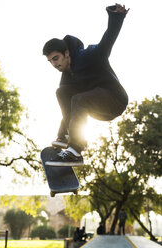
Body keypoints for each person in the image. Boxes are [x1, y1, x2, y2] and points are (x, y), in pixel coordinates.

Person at [43, 4, 129, 166]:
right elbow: (67, 107)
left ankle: (76, 151)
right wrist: (61, 135)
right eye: (50, 61)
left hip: (115, 100)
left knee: (78, 99)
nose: (54, 64)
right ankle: (68, 134)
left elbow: (107, 42)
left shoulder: (88, 55)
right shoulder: (66, 75)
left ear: (66, 53)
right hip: (97, 108)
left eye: (56, 58)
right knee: (62, 92)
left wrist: (116, 17)